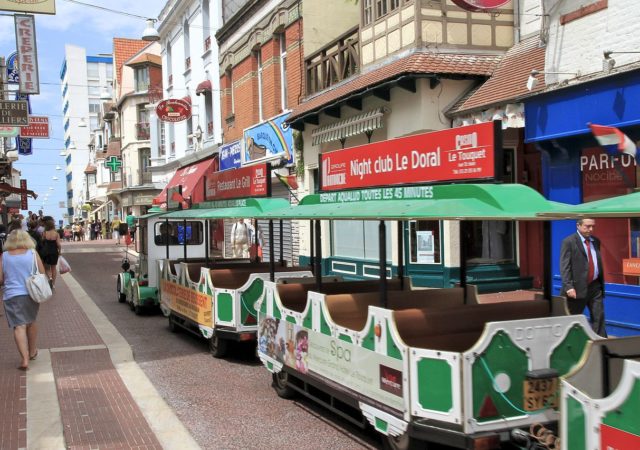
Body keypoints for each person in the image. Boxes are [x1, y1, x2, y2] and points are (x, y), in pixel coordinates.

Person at [0, 229, 45, 370]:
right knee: (31, 322)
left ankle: (24, 359)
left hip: (12, 295)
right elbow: (42, 272)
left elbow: (0, 279)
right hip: (31, 294)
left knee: (19, 326)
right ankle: (32, 352)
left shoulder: (5, 256)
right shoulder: (32, 253)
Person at [560, 218, 607, 337]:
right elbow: (565, 266)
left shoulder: (596, 241)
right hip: (576, 288)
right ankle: (571, 345)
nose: (591, 229)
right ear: (578, 225)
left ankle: (600, 346)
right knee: (573, 321)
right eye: (587, 226)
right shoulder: (569, 242)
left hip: (595, 287)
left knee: (599, 318)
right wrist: (569, 287)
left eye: (593, 226)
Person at [40, 218, 62, 290]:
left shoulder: (44, 233)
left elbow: (42, 242)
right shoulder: (56, 234)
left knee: (46, 267)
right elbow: (58, 244)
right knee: (53, 268)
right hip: (54, 252)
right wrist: (59, 251)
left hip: (46, 252)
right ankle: (53, 284)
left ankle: (49, 277)